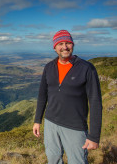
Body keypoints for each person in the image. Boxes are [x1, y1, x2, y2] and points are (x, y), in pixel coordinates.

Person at [33, 30, 102, 164]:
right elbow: (42, 96)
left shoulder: (87, 68)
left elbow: (95, 102)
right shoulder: (49, 67)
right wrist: (37, 121)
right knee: (53, 159)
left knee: (77, 161)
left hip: (75, 127)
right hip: (50, 123)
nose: (64, 47)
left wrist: (94, 136)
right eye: (60, 44)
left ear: (73, 45)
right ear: (55, 47)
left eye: (68, 43)